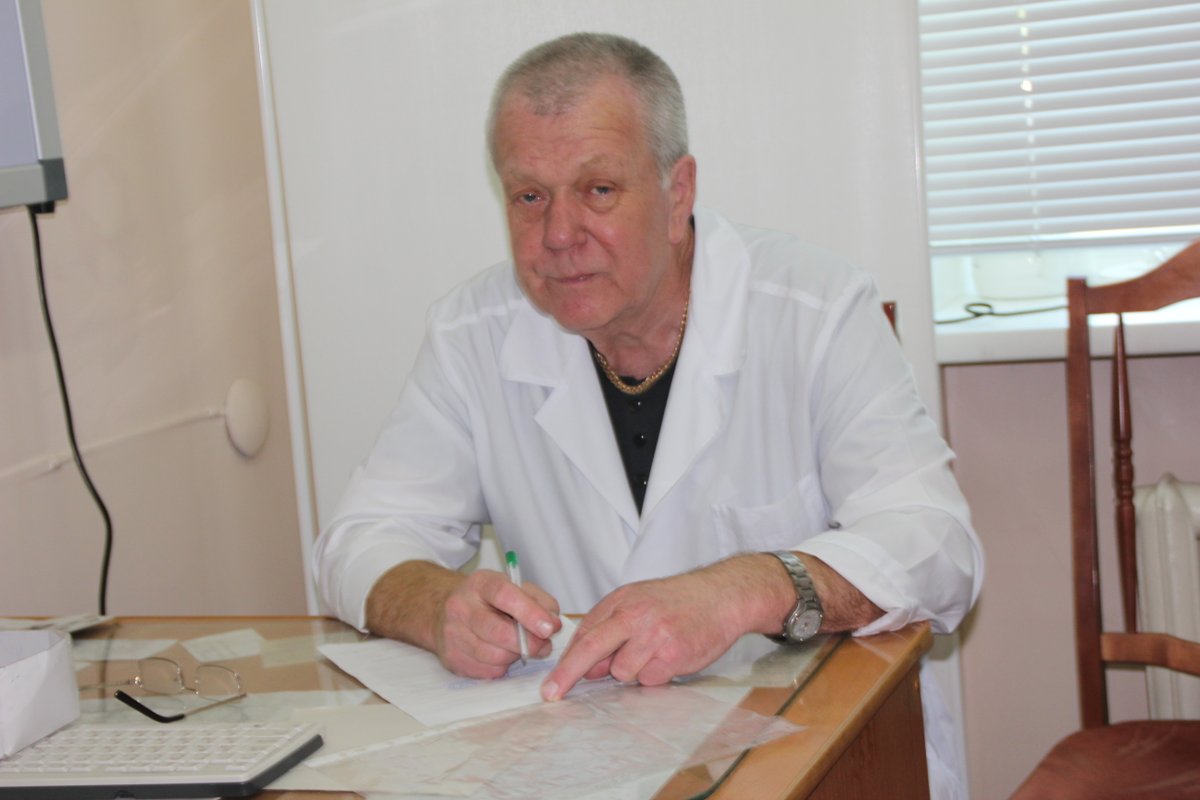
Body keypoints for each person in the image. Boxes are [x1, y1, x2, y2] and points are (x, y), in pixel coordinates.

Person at [314, 31, 983, 798]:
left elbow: (938, 547)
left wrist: (743, 590)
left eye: (598, 189)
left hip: (817, 755)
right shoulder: (473, 334)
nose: (558, 235)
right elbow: (358, 539)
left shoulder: (816, 309)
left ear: (678, 193)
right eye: (529, 196)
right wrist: (438, 608)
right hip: (588, 765)